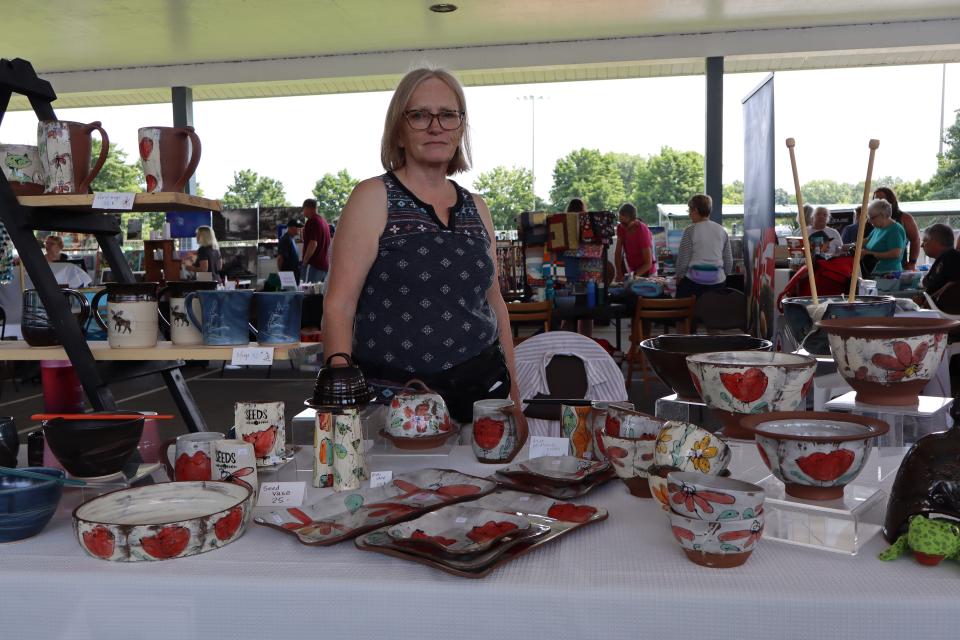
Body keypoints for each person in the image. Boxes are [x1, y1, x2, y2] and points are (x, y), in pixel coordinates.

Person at [322, 67, 527, 446]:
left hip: (482, 399)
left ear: (460, 127)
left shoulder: (477, 206)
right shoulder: (373, 197)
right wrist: (341, 412)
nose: (436, 126)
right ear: (399, 129)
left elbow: (494, 304)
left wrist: (514, 397)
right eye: (419, 115)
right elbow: (339, 306)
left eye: (448, 115)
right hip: (395, 410)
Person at [675, 194, 732, 299]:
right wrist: (723, 276)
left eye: (689, 211)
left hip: (694, 284)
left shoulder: (690, 230)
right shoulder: (722, 230)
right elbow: (728, 261)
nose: (689, 215)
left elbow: (683, 259)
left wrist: (679, 277)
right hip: (717, 284)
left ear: (695, 210)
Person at [874, 187, 920, 270]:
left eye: (882, 199)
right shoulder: (870, 220)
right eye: (876, 200)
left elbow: (915, 240)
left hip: (897, 269)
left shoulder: (905, 218)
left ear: (891, 201)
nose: (878, 202)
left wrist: (912, 262)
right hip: (873, 269)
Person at [862, 198, 906, 275]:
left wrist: (868, 253)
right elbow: (867, 240)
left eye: (872, 218)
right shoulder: (878, 228)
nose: (869, 221)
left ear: (882, 215)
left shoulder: (895, 229)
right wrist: (851, 245)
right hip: (876, 273)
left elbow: (895, 254)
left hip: (889, 275)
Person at [614, 202, 655, 280]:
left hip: (648, 272)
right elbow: (618, 253)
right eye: (620, 221)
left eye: (625, 223)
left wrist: (632, 276)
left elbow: (648, 263)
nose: (622, 226)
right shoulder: (621, 227)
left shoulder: (642, 231)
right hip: (633, 269)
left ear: (634, 220)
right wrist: (619, 273)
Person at [920, 223, 960, 297]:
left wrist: (928, 301)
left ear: (935, 242)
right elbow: (927, 282)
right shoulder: (942, 259)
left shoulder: (952, 257)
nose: (922, 245)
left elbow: (954, 285)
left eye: (925, 241)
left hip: (942, 307)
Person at [301, 198, 331, 282]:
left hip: (313, 265)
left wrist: (305, 262)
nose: (303, 211)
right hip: (324, 266)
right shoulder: (324, 222)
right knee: (319, 294)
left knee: (307, 292)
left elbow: (313, 243)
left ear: (307, 208)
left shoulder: (312, 221)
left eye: (303, 209)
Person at [277, 218, 303, 284]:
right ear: (290, 228)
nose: (298, 229)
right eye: (296, 227)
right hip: (288, 275)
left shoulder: (292, 239)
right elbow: (280, 258)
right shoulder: (285, 239)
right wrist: (282, 274)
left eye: (299, 227)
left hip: (294, 273)